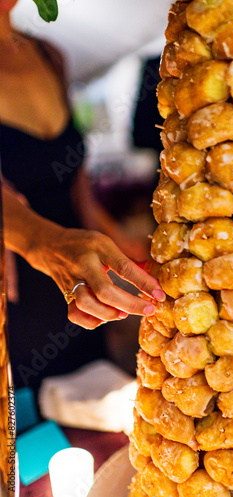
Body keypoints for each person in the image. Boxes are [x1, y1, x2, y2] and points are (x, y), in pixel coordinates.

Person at [0, 0, 165, 390]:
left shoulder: (48, 54)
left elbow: (76, 181)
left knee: (89, 401)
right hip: (15, 294)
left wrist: (121, 245)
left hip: (78, 281)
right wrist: (43, 242)